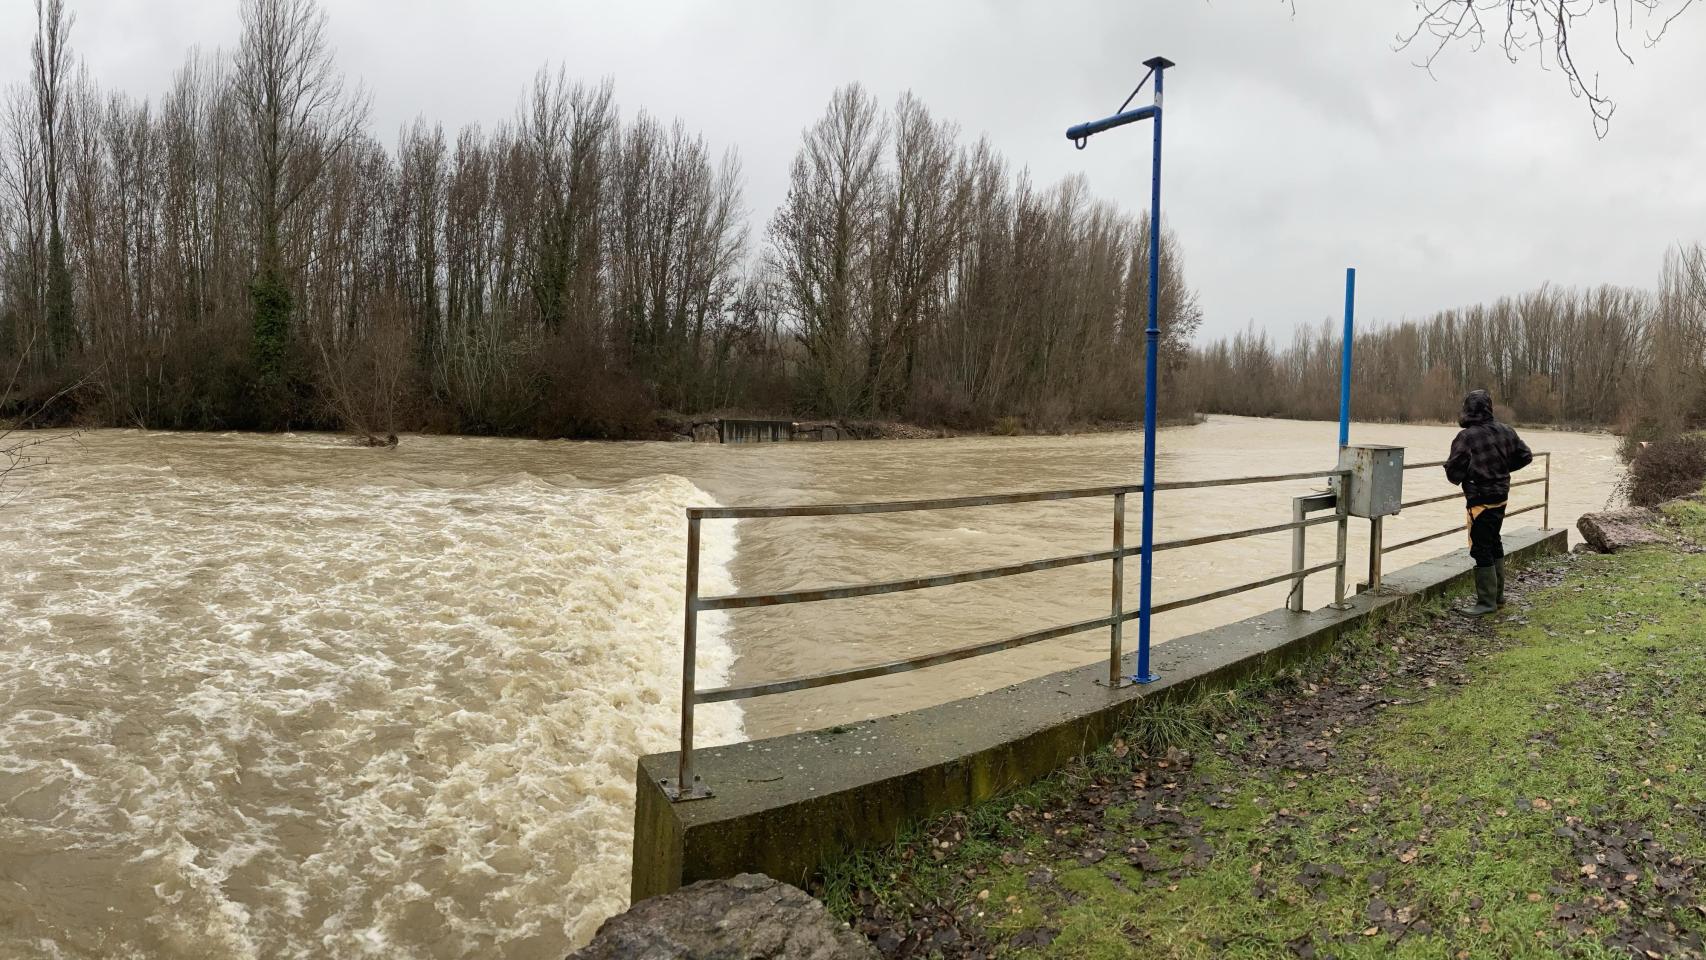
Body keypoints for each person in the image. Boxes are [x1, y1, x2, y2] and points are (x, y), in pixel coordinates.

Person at [1445, 389, 1532, 615]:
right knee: (1494, 542)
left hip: (1480, 501)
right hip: (1501, 497)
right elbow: (1525, 456)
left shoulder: (1466, 437)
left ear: (1468, 410)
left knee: (1480, 548)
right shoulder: (1506, 431)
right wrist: (1501, 469)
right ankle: (1498, 596)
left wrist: (1473, 474)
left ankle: (1486, 603)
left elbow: (1453, 472)